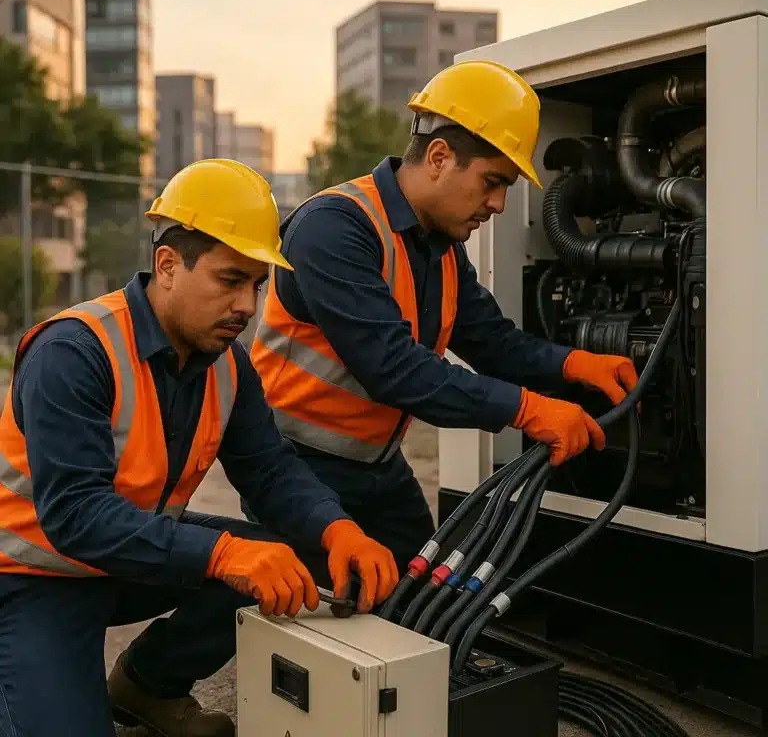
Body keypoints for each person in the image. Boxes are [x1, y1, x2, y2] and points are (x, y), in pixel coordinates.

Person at [0, 159, 398, 737]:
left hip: (124, 561)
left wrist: (339, 531)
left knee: (291, 552)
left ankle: (146, 686)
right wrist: (223, 555)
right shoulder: (75, 352)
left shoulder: (226, 363)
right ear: (167, 265)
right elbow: (76, 516)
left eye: (257, 285)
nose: (247, 305)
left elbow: (269, 470)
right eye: (229, 280)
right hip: (31, 581)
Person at [247, 60, 639, 575]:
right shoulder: (334, 229)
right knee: (287, 606)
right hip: (296, 468)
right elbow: (394, 369)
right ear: (438, 156)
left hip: (378, 467)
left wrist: (576, 364)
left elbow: (493, 342)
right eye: (491, 182)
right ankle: (148, 661)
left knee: (418, 606)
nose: (498, 204)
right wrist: (529, 410)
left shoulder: (441, 249)